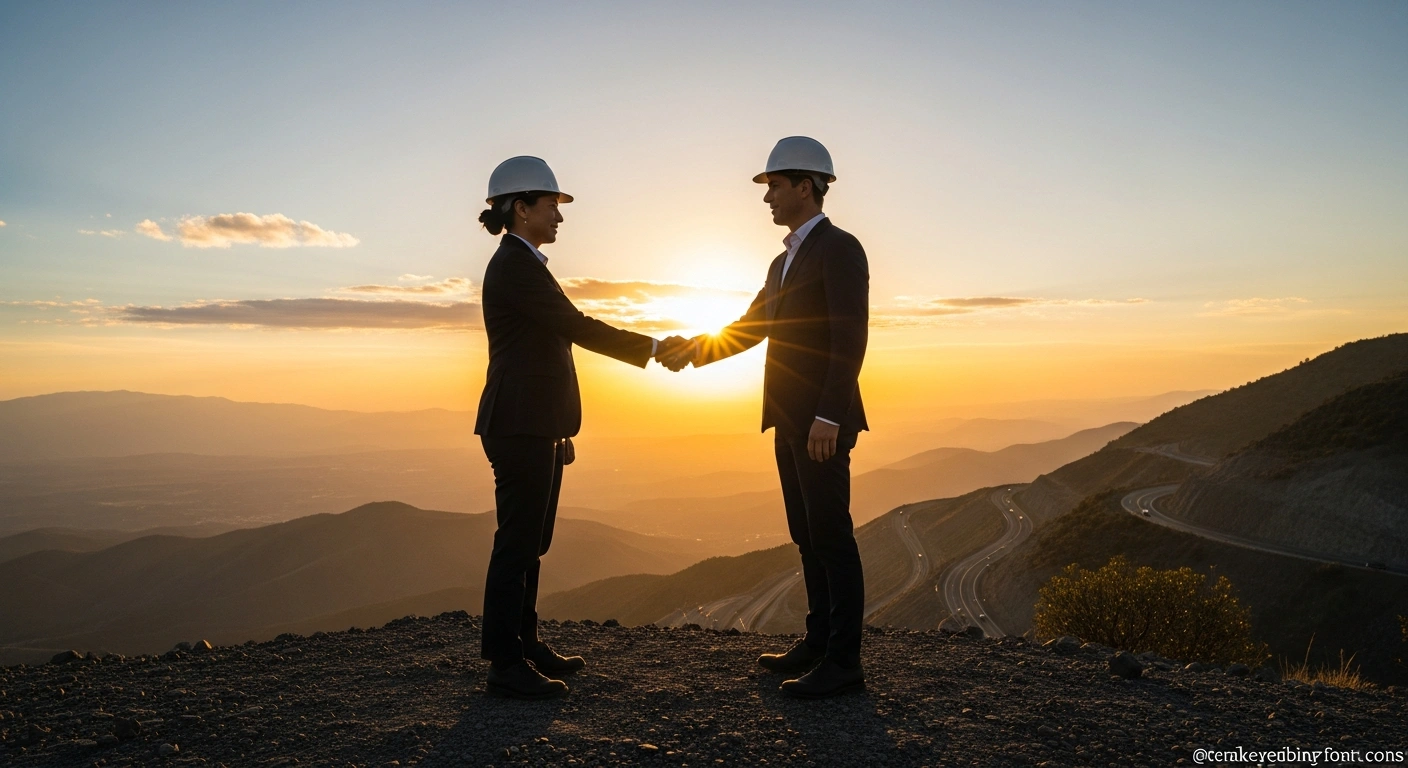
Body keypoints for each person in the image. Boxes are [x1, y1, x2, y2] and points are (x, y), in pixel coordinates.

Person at [661, 136, 869, 698]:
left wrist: (830, 415)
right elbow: (752, 327)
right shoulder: (782, 262)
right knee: (806, 534)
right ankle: (818, 642)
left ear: (806, 186)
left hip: (821, 422)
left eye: (774, 185)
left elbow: (851, 336)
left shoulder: (840, 248)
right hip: (787, 419)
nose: (767, 196)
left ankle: (843, 662)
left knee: (831, 536)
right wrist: (691, 351)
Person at [474, 156, 686, 699]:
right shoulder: (516, 266)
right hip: (518, 425)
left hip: (534, 425)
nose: (560, 216)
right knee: (517, 543)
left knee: (532, 542)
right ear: (521, 208)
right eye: (552, 205)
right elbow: (575, 327)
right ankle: (505, 663)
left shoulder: (525, 263)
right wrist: (654, 346)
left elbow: (549, 345)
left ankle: (525, 643)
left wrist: (558, 430)